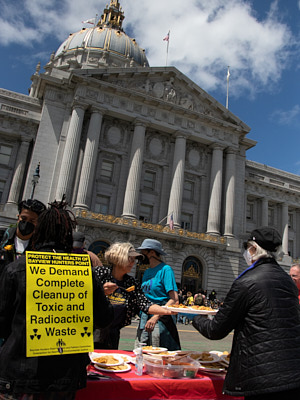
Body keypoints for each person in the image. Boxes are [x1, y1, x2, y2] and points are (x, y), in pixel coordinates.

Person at [0, 198, 114, 400]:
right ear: (67, 235)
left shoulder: (17, 269)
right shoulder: (83, 272)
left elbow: (2, 322)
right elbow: (105, 318)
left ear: (39, 231)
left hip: (21, 371)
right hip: (66, 375)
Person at [192, 226, 300, 400]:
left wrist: (195, 318)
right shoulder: (288, 281)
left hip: (262, 377)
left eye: (248, 248)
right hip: (294, 373)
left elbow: (215, 330)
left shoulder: (247, 281)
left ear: (254, 249)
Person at [93, 242, 176, 349]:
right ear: (119, 258)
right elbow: (82, 295)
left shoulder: (131, 283)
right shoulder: (99, 273)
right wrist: (100, 291)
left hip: (113, 334)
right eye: (130, 259)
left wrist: (167, 311)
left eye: (134, 260)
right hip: (90, 332)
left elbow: (144, 304)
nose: (133, 263)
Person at [135, 238, 181, 350]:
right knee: (141, 351)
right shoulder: (146, 272)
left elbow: (174, 299)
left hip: (160, 321)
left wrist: (156, 316)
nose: (141, 255)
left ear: (152, 252)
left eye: (143, 252)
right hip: (145, 319)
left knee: (158, 353)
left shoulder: (166, 270)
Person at [0, 199, 46, 268]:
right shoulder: (2, 239)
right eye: (24, 218)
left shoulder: (41, 247)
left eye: (32, 220)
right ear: (18, 217)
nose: (27, 223)